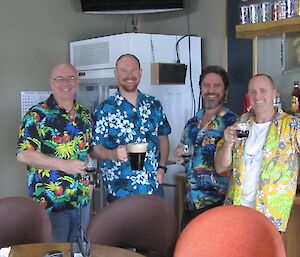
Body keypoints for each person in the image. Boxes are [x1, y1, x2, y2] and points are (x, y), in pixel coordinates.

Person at [16, 63, 94, 242]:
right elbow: (23, 154)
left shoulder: (85, 115)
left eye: (71, 78)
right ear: (51, 83)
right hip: (51, 204)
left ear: (78, 82)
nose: (65, 83)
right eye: (59, 78)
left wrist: (90, 184)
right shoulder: (36, 115)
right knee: (54, 253)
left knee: (80, 251)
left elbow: (88, 153)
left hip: (82, 202)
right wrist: (63, 164)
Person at [214, 73, 300, 232]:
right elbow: (220, 167)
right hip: (237, 210)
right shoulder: (241, 124)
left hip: (269, 216)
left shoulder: (292, 126)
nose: (257, 95)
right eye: (252, 91)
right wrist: (227, 144)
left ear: (274, 93)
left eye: (263, 90)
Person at [91, 53, 171, 203]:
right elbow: (96, 148)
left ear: (140, 73)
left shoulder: (154, 105)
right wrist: (112, 154)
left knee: (156, 227)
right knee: (123, 228)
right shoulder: (105, 109)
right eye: (123, 70)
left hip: (153, 187)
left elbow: (163, 137)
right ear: (116, 74)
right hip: (120, 191)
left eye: (134, 70)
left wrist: (162, 168)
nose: (129, 75)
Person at [173, 65, 237, 229]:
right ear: (201, 89)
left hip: (217, 203)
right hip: (191, 201)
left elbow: (237, 163)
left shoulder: (233, 123)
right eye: (207, 85)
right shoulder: (192, 123)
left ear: (225, 91)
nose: (211, 90)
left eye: (217, 86)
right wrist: (179, 156)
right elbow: (187, 155)